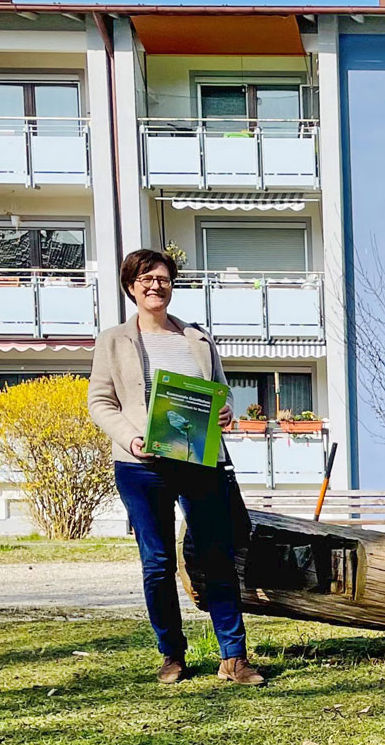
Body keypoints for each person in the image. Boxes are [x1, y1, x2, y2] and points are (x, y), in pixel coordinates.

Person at [88, 248, 263, 687]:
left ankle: (234, 657)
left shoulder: (196, 338)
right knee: (158, 563)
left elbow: (220, 394)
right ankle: (172, 654)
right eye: (146, 279)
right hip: (140, 467)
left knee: (217, 555)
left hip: (199, 463)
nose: (155, 286)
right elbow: (99, 402)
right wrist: (131, 437)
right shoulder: (113, 341)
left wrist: (226, 414)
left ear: (172, 285)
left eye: (163, 278)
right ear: (131, 286)